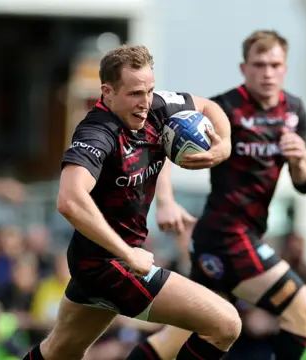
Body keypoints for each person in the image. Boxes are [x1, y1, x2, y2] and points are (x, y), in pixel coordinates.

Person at [23, 44, 242, 360]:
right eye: (135, 94)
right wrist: (127, 253)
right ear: (107, 92)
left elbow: (208, 106)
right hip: (112, 264)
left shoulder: (157, 107)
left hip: (95, 261)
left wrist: (224, 147)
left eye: (150, 91)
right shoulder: (98, 132)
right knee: (225, 324)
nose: (145, 103)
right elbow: (69, 200)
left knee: (60, 351)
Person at [126, 30, 306, 360]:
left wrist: (301, 160)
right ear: (244, 68)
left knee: (173, 342)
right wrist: (166, 200)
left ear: (285, 68)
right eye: (259, 64)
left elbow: (304, 183)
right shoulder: (225, 107)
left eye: (275, 64)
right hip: (227, 236)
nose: (268, 72)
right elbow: (162, 138)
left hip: (237, 236)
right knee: (305, 312)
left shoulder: (294, 111)